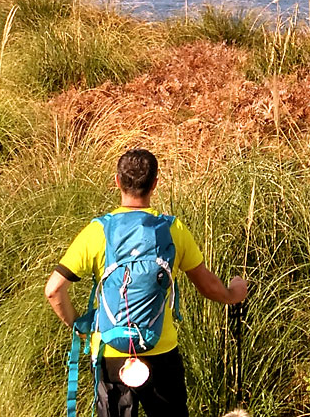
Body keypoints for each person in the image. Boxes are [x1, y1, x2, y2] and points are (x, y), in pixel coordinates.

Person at [45, 149, 249, 416]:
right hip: (161, 351)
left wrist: (81, 327)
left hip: (110, 351)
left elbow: (53, 290)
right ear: (155, 183)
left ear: (117, 181)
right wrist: (235, 292)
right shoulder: (173, 230)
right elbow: (210, 287)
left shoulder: (98, 232)